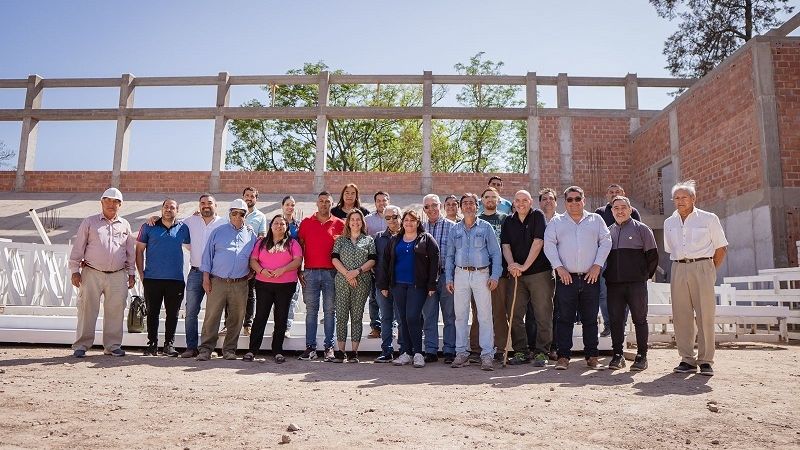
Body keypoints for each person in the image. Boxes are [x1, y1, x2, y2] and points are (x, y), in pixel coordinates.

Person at [664, 180, 728, 376]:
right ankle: (687, 359)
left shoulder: (709, 218)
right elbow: (670, 249)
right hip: (678, 267)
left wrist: (709, 270)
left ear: (693, 198)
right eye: (676, 198)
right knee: (681, 315)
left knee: (705, 315)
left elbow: (721, 248)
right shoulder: (669, 222)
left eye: (684, 197)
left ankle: (706, 360)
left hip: (703, 267)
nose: (680, 201)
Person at [544, 186, 611, 370]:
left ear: (584, 200)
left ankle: (592, 356)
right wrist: (559, 268)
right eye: (569, 199)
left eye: (577, 198)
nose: (574, 202)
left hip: (591, 277)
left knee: (590, 318)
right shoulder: (557, 222)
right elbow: (549, 245)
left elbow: (606, 242)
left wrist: (597, 265)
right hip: (566, 278)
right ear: (565, 202)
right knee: (564, 318)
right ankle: (563, 357)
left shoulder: (596, 220)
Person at [69, 187, 135, 358]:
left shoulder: (125, 225)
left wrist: (132, 273)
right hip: (92, 272)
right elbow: (78, 247)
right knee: (87, 309)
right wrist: (75, 270)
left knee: (116, 310)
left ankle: (112, 346)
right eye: (108, 200)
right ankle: (81, 345)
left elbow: (130, 252)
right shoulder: (89, 222)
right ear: (101, 202)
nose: (111, 204)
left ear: (120, 205)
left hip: (118, 274)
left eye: (115, 201)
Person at [446, 193, 503, 371]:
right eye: (465, 203)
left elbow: (496, 253)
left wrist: (495, 275)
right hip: (460, 274)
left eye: (472, 203)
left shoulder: (486, 227)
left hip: (481, 274)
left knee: (484, 315)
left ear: (477, 207)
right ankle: (461, 353)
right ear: (461, 207)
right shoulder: (455, 229)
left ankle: (487, 355)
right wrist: (449, 278)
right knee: (460, 315)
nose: (469, 206)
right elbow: (449, 256)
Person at [197, 199, 258, 361]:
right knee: (212, 316)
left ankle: (230, 350)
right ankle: (205, 350)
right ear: (229, 214)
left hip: (240, 283)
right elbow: (207, 256)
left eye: (241, 214)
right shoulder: (218, 232)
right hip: (218, 282)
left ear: (245, 216)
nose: (238, 216)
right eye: (234, 213)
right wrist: (206, 278)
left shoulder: (251, 234)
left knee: (236, 318)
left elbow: (255, 256)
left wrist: (252, 271)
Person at [377, 209, 439, 368]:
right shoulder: (395, 239)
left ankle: (418, 353)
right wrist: (384, 285)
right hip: (398, 285)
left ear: (418, 223)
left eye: (412, 220)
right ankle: (406, 353)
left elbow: (435, 261)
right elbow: (385, 262)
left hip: (417, 285)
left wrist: (432, 283)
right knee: (403, 319)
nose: (409, 223)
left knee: (412, 317)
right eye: (406, 220)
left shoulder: (426, 239)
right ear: (402, 223)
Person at [501, 190, 554, 367]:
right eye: (517, 200)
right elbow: (506, 246)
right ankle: (521, 351)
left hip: (539, 272)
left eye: (525, 200)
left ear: (531, 202)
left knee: (542, 314)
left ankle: (542, 352)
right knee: (515, 314)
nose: (521, 203)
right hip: (517, 275)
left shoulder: (537, 216)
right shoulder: (508, 221)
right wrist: (512, 265)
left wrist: (524, 266)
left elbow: (538, 242)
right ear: (513, 203)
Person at [605, 196, 658, 371]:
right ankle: (617, 355)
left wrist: (643, 276)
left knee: (640, 319)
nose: (620, 211)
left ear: (630, 209)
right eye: (616, 208)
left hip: (636, 284)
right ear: (612, 211)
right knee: (615, 320)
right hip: (614, 285)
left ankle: (642, 356)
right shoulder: (607, 232)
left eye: (623, 207)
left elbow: (652, 256)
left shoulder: (642, 229)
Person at [135, 198, 191, 357]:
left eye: (172, 207)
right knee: (152, 313)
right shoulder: (148, 226)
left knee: (172, 314)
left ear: (177, 211)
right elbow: (139, 251)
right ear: (161, 209)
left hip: (175, 280)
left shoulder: (183, 228)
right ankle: (152, 345)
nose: (168, 209)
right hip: (152, 278)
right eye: (166, 207)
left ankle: (169, 345)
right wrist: (141, 274)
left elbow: (193, 245)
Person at [244, 215, 302, 364]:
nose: (279, 226)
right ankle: (252, 350)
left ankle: (277, 351)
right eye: (276, 223)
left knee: (281, 318)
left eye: (282, 224)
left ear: (287, 227)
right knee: (260, 317)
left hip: (286, 285)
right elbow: (253, 260)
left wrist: (283, 269)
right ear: (271, 226)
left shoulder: (292, 243)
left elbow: (297, 260)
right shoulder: (261, 242)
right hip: (264, 284)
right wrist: (261, 271)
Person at [298, 191, 345, 361]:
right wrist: (299, 270)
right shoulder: (306, 222)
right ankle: (310, 347)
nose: (324, 204)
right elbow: (300, 248)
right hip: (310, 272)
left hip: (331, 273)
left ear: (332, 204)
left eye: (327, 201)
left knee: (330, 311)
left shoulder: (340, 224)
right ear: (317, 203)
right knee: (311, 311)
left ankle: (328, 347)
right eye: (321, 201)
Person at [179, 194, 227, 358]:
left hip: (216, 275)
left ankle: (208, 348)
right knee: (191, 311)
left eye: (209, 203)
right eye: (203, 203)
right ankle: (191, 347)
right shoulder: (190, 221)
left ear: (216, 205)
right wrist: (155, 218)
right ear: (199, 205)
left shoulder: (224, 223)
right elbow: (171, 223)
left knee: (213, 312)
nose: (206, 205)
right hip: (195, 272)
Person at [595, 184, 641, 337]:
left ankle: (621, 325)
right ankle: (609, 325)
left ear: (624, 193)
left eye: (617, 192)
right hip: (605, 259)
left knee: (625, 294)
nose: (614, 194)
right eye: (611, 192)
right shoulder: (599, 213)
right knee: (604, 293)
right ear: (607, 195)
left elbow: (638, 231)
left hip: (625, 259)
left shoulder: (633, 211)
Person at [331, 210, 377, 363]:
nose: (355, 222)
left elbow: (372, 260)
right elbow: (334, 259)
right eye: (352, 219)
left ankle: (354, 352)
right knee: (342, 316)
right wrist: (347, 274)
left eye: (358, 219)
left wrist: (356, 272)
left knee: (357, 317)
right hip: (342, 282)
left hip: (362, 281)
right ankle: (340, 351)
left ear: (362, 222)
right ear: (348, 222)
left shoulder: (368, 240)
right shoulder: (341, 240)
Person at [469, 187, 508, 363]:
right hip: (479, 271)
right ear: (482, 200)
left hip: (500, 272)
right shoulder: (476, 220)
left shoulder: (505, 219)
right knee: (478, 311)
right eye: (487, 197)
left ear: (498, 200)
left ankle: (500, 348)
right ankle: (476, 349)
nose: (490, 199)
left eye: (494, 197)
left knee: (499, 312)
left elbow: (508, 244)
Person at [421, 194, 456, 363]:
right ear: (424, 209)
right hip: (427, 279)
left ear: (440, 206)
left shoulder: (453, 227)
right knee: (429, 315)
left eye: (434, 205)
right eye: (427, 206)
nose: (432, 209)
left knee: (449, 315)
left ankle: (449, 350)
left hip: (446, 276)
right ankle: (431, 350)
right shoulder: (421, 229)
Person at [373, 205, 403, 362]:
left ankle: (404, 350)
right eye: (388, 218)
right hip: (384, 286)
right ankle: (386, 350)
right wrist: (383, 285)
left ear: (400, 217)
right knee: (386, 318)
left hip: (402, 285)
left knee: (402, 318)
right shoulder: (378, 238)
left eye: (395, 216)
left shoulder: (408, 235)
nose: (392, 220)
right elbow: (377, 264)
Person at [241, 186, 267, 337]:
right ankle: (227, 324)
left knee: (250, 293)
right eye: (247, 195)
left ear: (256, 199)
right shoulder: (235, 212)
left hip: (252, 260)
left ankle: (248, 324)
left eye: (252, 196)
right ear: (243, 196)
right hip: (236, 260)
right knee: (231, 293)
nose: (249, 198)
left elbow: (262, 238)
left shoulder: (260, 216)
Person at [364, 191, 391, 338]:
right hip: (374, 263)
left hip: (392, 265)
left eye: (384, 200)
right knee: (374, 297)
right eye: (378, 201)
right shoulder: (368, 220)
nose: (382, 203)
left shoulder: (394, 217)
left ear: (388, 201)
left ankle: (391, 326)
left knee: (391, 297)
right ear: (375, 203)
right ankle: (376, 327)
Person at [539, 187, 560, 360]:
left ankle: (555, 346)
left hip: (561, 270)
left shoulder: (563, 220)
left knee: (558, 309)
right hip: (540, 271)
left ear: (556, 202)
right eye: (544, 199)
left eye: (551, 198)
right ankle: (538, 348)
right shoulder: (536, 220)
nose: (548, 201)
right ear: (539, 203)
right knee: (540, 311)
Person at [281, 195, 301, 337]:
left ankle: (286, 327)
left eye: (292, 205)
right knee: (279, 300)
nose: (290, 207)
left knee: (292, 299)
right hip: (278, 266)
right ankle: (279, 326)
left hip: (294, 266)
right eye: (287, 204)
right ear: (282, 206)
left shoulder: (298, 225)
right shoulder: (276, 223)